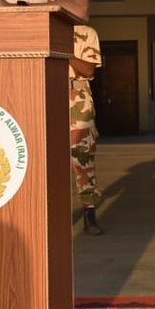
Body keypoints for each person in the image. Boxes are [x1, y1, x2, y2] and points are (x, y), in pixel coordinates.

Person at [70, 24, 105, 235]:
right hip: (40, 94)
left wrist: (62, 48)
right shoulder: (34, 25)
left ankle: (89, 213)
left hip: (76, 98)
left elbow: (88, 69)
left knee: (82, 159)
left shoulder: (85, 32)